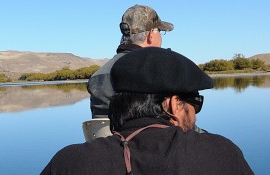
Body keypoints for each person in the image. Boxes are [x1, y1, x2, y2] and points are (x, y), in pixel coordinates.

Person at [44, 48, 254, 175]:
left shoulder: (69, 162)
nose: (196, 115)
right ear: (174, 104)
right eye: (196, 103)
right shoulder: (219, 153)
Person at [84, 5, 206, 140]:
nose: (161, 36)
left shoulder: (97, 76)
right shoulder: (158, 71)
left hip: (106, 148)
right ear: (150, 35)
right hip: (153, 149)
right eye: (160, 31)